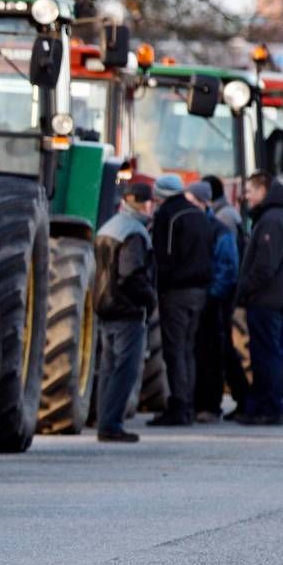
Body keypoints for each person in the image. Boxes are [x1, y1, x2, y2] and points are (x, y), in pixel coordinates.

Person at [94, 182, 159, 442]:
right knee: (125, 369)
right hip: (127, 309)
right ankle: (111, 425)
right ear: (145, 203)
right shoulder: (134, 232)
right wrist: (149, 297)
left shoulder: (109, 226)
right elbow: (130, 273)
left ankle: (104, 422)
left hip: (106, 306)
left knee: (109, 369)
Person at [148, 173, 213, 426]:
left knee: (174, 351)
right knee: (188, 350)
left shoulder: (169, 216)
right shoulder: (199, 215)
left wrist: (158, 288)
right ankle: (188, 404)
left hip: (176, 292)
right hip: (200, 292)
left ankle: (179, 406)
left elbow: (163, 257)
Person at [235, 173, 283, 426]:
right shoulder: (279, 217)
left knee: (267, 355)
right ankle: (272, 406)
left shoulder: (271, 220)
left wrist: (245, 291)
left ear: (263, 190)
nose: (246, 196)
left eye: (250, 190)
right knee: (275, 353)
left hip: (266, 300)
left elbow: (264, 266)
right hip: (276, 299)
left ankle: (269, 409)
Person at [192, 180, 240, 422]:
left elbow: (228, 267)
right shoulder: (201, 226)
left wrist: (212, 296)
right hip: (202, 297)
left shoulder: (220, 229)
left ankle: (211, 404)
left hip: (214, 300)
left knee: (213, 352)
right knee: (199, 351)